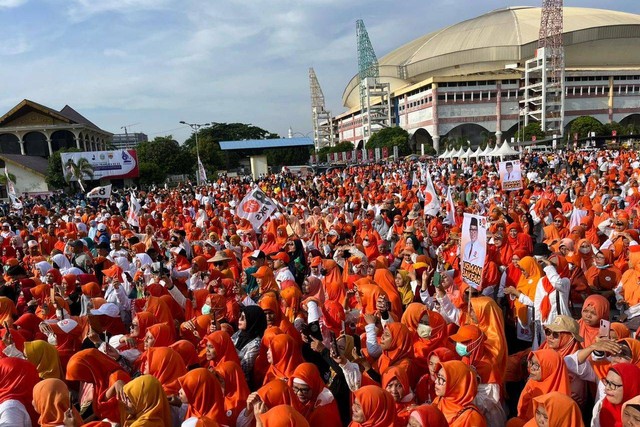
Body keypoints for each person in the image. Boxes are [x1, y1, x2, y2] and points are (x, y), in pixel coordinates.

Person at [433, 360, 487, 427]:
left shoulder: (471, 417)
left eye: (442, 379)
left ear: (457, 384)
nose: (436, 381)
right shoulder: (438, 401)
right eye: (438, 377)